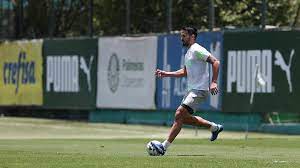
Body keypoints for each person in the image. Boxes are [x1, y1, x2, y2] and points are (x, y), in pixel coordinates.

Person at [155, 26, 223, 155]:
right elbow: (185, 72)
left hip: (199, 90)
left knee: (179, 114)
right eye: (181, 36)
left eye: (184, 36)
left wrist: (214, 82)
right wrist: (166, 74)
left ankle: (163, 147)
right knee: (183, 119)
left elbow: (216, 62)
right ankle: (214, 127)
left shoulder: (197, 49)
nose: (182, 38)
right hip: (192, 90)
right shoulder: (189, 52)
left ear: (192, 36)